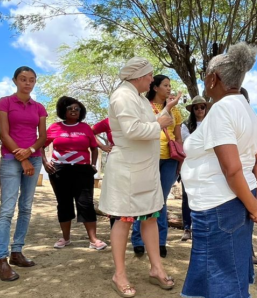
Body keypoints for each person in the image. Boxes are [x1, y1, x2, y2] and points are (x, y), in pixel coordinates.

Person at [180, 42, 257, 298]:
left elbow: (231, 168)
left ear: (213, 78)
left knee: (224, 278)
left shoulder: (221, 109)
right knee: (210, 269)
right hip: (231, 202)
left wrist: (255, 206)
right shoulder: (246, 110)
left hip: (219, 206)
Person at [100, 57, 177, 298]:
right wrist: (160, 124)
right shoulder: (122, 96)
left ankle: (156, 268)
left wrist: (166, 112)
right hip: (127, 169)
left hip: (145, 168)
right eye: (149, 75)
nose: (151, 79)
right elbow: (133, 131)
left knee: (151, 217)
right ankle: (119, 274)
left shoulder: (140, 99)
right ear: (138, 76)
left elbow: (150, 123)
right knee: (124, 220)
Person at [0, 66, 48, 281]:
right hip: (11, 160)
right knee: (7, 209)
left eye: (31, 80)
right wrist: (23, 158)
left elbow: (42, 136)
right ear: (15, 80)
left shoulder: (39, 107)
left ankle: (17, 252)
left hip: (33, 158)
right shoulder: (4, 103)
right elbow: (4, 134)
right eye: (23, 79)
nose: (27, 83)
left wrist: (31, 152)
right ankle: (1, 260)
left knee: (25, 207)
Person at [43, 96, 107, 251]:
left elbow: (94, 147)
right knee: (64, 203)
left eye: (77, 109)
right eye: (70, 108)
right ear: (63, 110)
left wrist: (92, 164)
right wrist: (45, 162)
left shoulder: (85, 128)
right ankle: (65, 238)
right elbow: (41, 145)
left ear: (81, 112)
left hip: (82, 170)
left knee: (86, 203)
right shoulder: (54, 127)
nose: (74, 111)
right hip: (59, 170)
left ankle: (93, 240)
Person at [131, 74, 182, 258]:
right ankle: (137, 240)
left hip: (170, 159)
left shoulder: (175, 110)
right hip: (149, 158)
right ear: (155, 87)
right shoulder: (144, 106)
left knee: (161, 200)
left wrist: (181, 160)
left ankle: (160, 241)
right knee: (144, 198)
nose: (169, 88)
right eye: (165, 85)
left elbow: (178, 136)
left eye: (170, 85)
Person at [178, 96, 210, 241]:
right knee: (187, 196)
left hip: (208, 165)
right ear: (192, 110)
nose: (199, 110)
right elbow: (188, 143)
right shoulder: (185, 125)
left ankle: (203, 227)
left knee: (206, 196)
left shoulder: (212, 123)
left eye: (202, 107)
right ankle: (187, 227)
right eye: (196, 108)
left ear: (205, 108)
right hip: (190, 164)